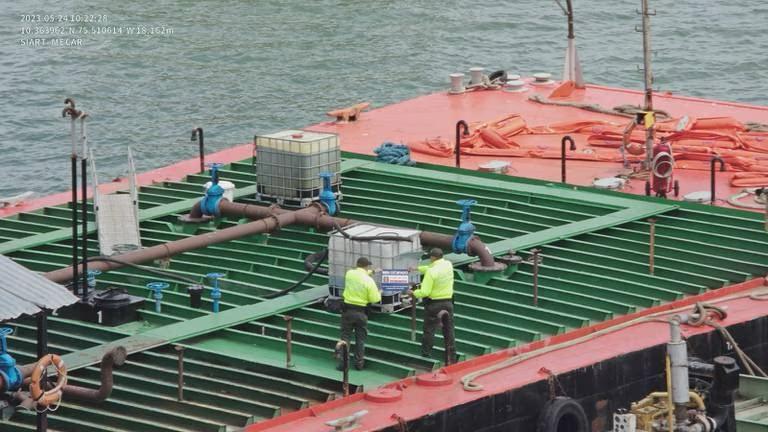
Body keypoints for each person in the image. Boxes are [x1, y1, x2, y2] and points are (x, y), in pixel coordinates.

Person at [408, 248, 456, 361]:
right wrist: (417, 269)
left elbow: (425, 292)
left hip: (434, 304)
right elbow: (432, 267)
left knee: (429, 330)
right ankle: (452, 355)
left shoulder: (431, 272)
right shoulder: (448, 264)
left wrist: (413, 293)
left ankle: (426, 354)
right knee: (449, 330)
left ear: (432, 257)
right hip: (448, 302)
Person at [338, 257, 381, 370]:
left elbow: (360, 274)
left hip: (347, 311)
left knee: (345, 337)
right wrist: (379, 292)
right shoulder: (369, 281)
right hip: (361, 313)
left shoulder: (349, 274)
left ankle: (343, 364)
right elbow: (374, 299)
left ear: (357, 264)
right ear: (367, 267)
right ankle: (359, 364)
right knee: (360, 339)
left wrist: (373, 272)